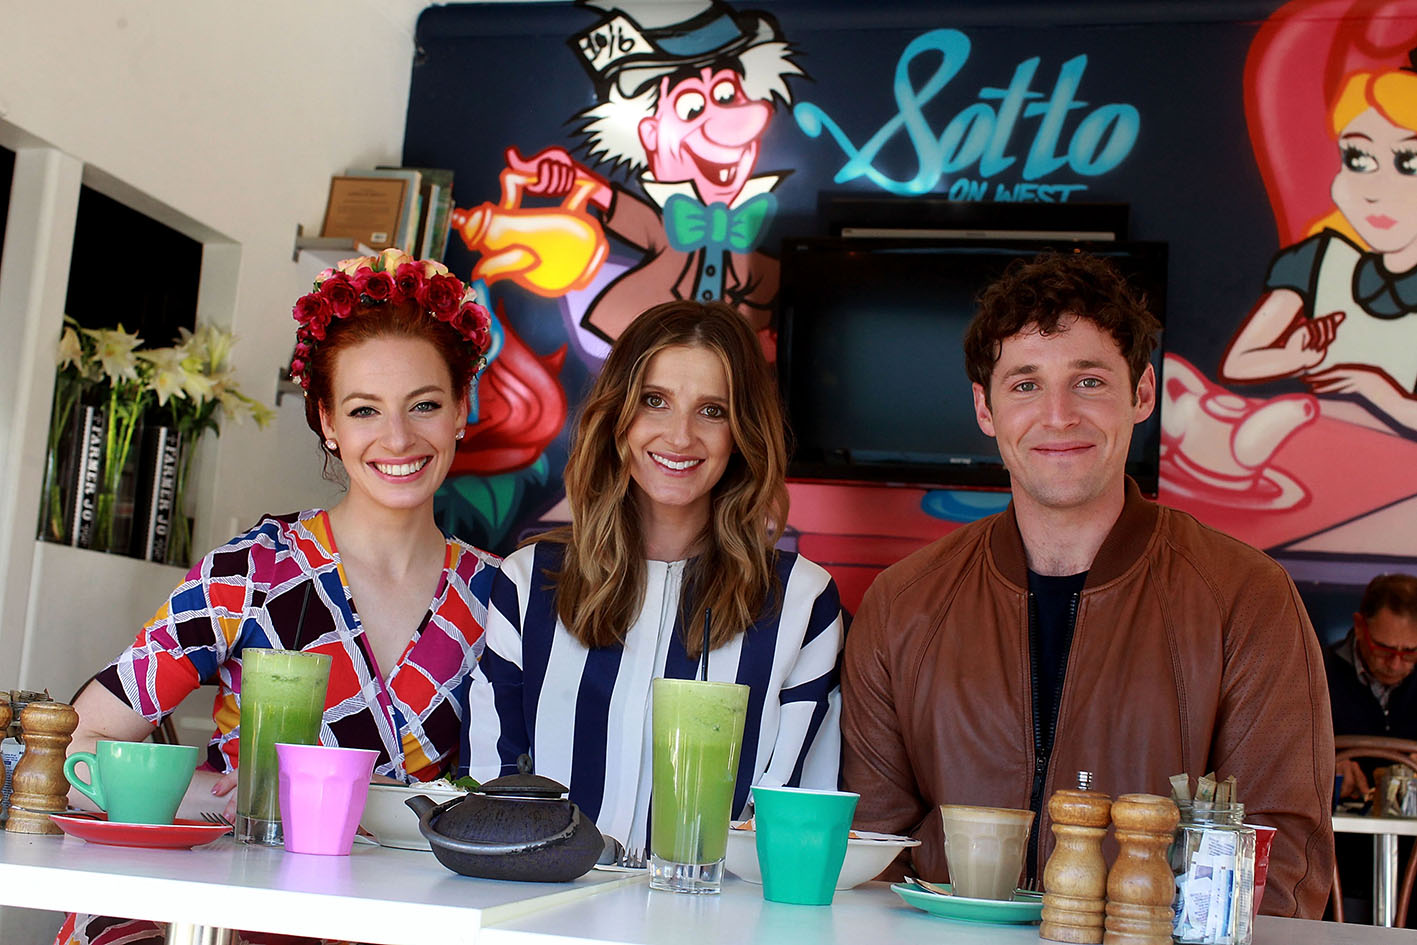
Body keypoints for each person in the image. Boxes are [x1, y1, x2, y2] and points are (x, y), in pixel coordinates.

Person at [842, 252, 1335, 918]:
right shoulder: (902, 603)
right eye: (1023, 385)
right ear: (984, 408)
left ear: (1141, 394)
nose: (1057, 414)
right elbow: (873, 854)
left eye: (1087, 381)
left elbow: (1278, 865)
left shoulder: (1245, 597)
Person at [57, 249, 498, 945]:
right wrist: (200, 797)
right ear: (326, 420)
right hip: (227, 908)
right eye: (363, 410)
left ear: (460, 411)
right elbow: (71, 749)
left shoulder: (497, 596)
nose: (397, 438)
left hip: (398, 917)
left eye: (425, 405)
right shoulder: (250, 574)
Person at [462, 299, 843, 853]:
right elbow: (488, 792)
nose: (680, 436)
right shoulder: (527, 583)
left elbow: (800, 819)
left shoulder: (802, 601)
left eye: (712, 410)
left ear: (743, 432)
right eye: (654, 401)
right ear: (618, 413)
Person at [1220, 56, 1417, 434]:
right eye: (1359, 159)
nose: (1374, 191)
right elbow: (1238, 363)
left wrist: (1374, 387)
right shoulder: (1320, 259)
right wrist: (1294, 356)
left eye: (1408, 163)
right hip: (1310, 443)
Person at [1325, 573, 1417, 797]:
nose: (1395, 665)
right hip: (1338, 826)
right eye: (1384, 650)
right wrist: (1325, 769)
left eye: (1410, 652)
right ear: (1359, 626)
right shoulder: (1317, 674)